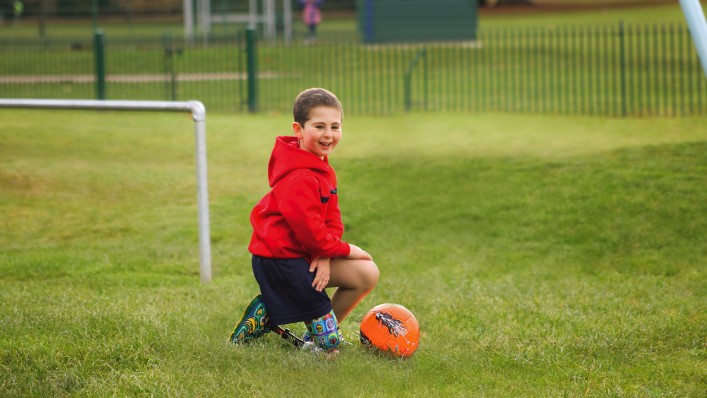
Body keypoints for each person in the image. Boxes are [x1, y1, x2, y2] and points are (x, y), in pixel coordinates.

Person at [230, 88, 379, 356]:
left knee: (367, 273)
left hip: (305, 254)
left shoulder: (322, 167)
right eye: (319, 126)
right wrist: (345, 249)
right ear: (298, 129)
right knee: (329, 350)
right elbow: (310, 233)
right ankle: (267, 314)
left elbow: (331, 218)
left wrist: (324, 254)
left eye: (335, 126)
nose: (328, 134)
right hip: (281, 261)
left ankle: (303, 326)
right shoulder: (300, 176)